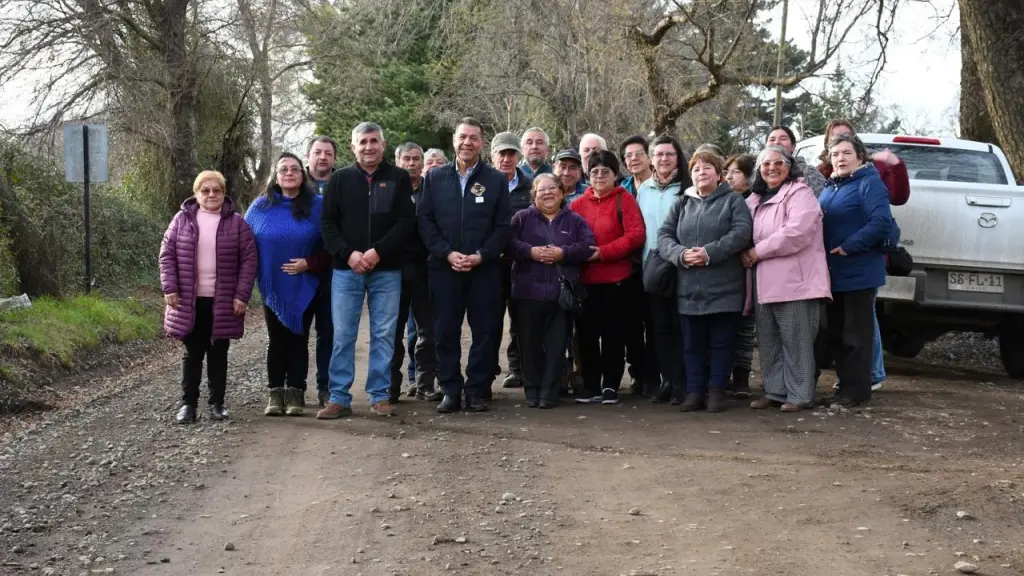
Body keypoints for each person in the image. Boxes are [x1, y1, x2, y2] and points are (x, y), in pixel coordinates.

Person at [317, 122, 416, 419]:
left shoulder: (398, 178)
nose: (369, 146)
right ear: (353, 146)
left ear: (383, 145)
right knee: (343, 333)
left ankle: (379, 395)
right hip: (346, 270)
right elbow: (328, 225)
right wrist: (350, 255)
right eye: (363, 142)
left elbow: (405, 223)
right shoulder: (340, 180)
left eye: (374, 141)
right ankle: (338, 397)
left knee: (384, 333)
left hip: (387, 269)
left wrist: (377, 252)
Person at [418, 117, 511, 413]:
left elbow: (503, 226)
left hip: (483, 269)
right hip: (444, 268)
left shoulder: (495, 180)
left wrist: (482, 255)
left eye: (473, 137)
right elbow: (425, 221)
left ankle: (477, 389)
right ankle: (451, 389)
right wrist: (447, 253)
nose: (467, 142)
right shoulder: (434, 178)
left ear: (482, 143)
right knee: (444, 330)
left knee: (485, 331)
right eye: (462, 137)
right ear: (454, 140)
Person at [816, 118, 911, 392]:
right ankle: (846, 386)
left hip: (859, 272)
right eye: (835, 154)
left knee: (856, 336)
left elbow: (880, 222)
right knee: (838, 335)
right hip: (834, 273)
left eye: (847, 153)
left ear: (860, 157)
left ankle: (857, 391)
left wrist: (850, 245)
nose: (840, 158)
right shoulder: (831, 186)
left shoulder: (869, 183)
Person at [657, 149, 752, 413]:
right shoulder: (682, 203)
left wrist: (709, 252)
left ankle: (717, 392)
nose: (702, 172)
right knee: (692, 344)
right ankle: (695, 391)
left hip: (724, 288)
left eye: (707, 168)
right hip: (689, 288)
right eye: (697, 169)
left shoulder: (733, 201)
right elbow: (664, 236)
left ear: (719, 174)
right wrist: (681, 254)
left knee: (721, 343)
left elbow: (742, 233)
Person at [160, 170, 257, 424]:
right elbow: (167, 254)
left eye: (217, 190)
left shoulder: (237, 223)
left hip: (223, 300)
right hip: (189, 302)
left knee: (218, 353)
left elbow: (249, 261)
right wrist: (170, 287)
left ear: (224, 193)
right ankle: (188, 405)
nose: (211, 195)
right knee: (192, 354)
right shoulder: (181, 220)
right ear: (196, 194)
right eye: (205, 190)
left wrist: (241, 296)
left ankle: (217, 404)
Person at [742, 146, 831, 411]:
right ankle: (775, 390)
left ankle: (800, 395)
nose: (772, 167)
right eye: (766, 163)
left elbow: (796, 233)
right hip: (763, 282)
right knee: (769, 341)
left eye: (778, 162)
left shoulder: (800, 193)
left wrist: (757, 251)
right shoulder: (754, 199)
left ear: (789, 166)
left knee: (796, 341)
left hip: (796, 283)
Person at [245, 153, 328, 417]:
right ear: (276, 176)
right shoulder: (260, 207)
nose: (289, 173)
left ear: (302, 175)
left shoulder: (318, 206)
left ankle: (295, 392)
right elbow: (245, 244)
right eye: (283, 169)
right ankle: (275, 393)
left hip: (306, 283)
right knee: (276, 339)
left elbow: (332, 244)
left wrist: (310, 263)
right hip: (273, 286)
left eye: (294, 169)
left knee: (298, 338)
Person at [507, 174, 595, 408]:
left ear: (562, 192)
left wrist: (563, 253)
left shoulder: (574, 220)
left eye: (552, 188)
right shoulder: (521, 218)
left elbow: (587, 245)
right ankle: (532, 391)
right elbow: (508, 243)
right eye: (541, 190)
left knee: (557, 346)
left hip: (560, 295)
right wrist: (531, 252)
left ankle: (549, 392)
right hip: (527, 293)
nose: (547, 193)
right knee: (529, 344)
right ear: (533, 195)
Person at [570, 150, 646, 405]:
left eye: (605, 171)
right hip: (586, 281)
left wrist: (604, 253)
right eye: (594, 171)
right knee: (586, 336)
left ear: (615, 174)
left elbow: (635, 235)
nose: (600, 175)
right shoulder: (578, 204)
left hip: (616, 280)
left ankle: (611, 385)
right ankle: (590, 384)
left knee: (613, 336)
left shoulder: (624, 200)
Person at [636, 135, 690, 404]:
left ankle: (683, 383)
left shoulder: (687, 188)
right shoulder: (644, 189)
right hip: (653, 269)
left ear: (678, 157)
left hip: (682, 267)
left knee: (681, 327)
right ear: (651, 159)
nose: (664, 159)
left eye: (669, 154)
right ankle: (667, 380)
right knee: (659, 328)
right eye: (658, 154)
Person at [390, 142, 442, 403]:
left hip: (426, 270)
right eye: (406, 159)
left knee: (427, 331)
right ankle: (392, 385)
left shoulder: (432, 191)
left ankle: (425, 383)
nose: (411, 164)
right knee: (392, 331)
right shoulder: (388, 191)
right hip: (394, 271)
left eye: (416, 159)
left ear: (423, 163)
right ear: (398, 161)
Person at [491, 132, 534, 390]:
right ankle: (489, 368)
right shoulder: (483, 183)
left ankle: (518, 369)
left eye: (511, 153)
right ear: (492, 155)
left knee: (521, 320)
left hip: (522, 264)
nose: (506, 159)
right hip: (492, 265)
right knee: (491, 319)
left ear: (519, 156)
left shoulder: (531, 186)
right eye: (501, 153)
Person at [408, 148, 449, 384]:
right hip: (409, 270)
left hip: (436, 267)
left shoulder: (442, 192)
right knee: (413, 331)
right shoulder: (402, 190)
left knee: (431, 329)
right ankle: (414, 378)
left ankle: (428, 379)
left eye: (439, 162)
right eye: (430, 161)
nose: (434, 165)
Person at [306, 135, 338, 407]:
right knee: (296, 333)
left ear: (334, 158)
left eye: (328, 153)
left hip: (334, 269)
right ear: (308, 156)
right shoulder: (291, 181)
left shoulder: (343, 182)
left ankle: (325, 386)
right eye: (317, 152)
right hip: (300, 270)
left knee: (328, 332)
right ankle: (292, 387)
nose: (323, 157)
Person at [724, 153, 758, 398]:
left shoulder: (757, 200)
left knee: (746, 325)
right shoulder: (724, 200)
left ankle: (742, 375)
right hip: (727, 270)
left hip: (751, 267)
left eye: (734, 172)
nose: (728, 177)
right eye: (726, 172)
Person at [766, 126, 827, 194]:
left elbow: (823, 200)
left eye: (783, 139)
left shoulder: (808, 172)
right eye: (772, 139)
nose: (777, 142)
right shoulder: (760, 174)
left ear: (793, 146)